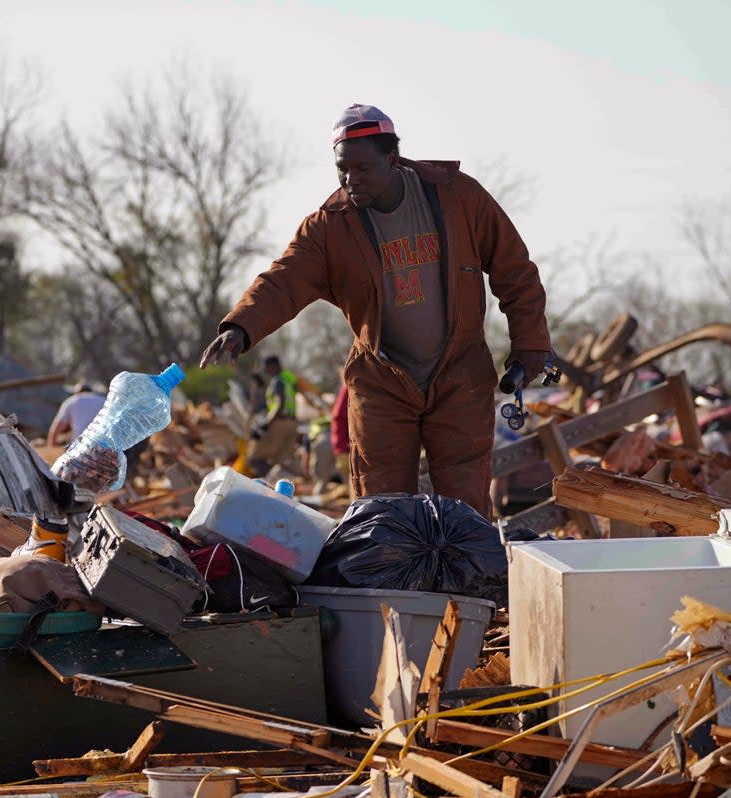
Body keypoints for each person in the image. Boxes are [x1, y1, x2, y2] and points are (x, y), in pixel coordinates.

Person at [200, 104, 551, 517]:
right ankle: (388, 579)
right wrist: (241, 326)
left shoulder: (458, 198)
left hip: (459, 373)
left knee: (465, 503)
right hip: (382, 382)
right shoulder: (329, 228)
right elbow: (284, 279)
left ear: (392, 157)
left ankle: (468, 580)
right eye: (342, 170)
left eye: (362, 168)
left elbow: (515, 270)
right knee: (380, 507)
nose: (351, 180)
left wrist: (530, 345)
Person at [247, 355, 301, 476]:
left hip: (279, 423)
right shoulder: (287, 378)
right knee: (279, 460)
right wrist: (262, 385)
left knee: (254, 457)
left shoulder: (277, 381)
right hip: (292, 423)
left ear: (273, 366)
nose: (265, 371)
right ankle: (273, 486)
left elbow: (279, 404)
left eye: (266, 368)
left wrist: (265, 425)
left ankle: (261, 484)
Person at [46, 381, 106, 446]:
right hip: (102, 444)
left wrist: (51, 445)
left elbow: (56, 428)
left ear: (76, 392)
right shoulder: (103, 400)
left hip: (79, 444)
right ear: (90, 390)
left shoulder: (71, 401)